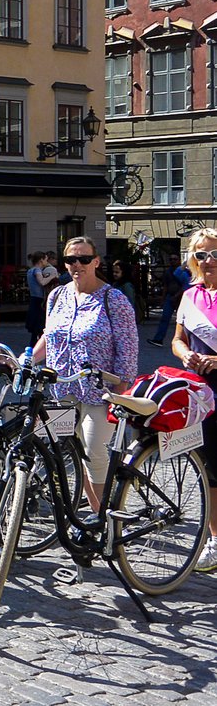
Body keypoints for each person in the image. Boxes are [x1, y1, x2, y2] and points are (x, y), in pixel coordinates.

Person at [34, 235, 137, 512]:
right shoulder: (57, 295)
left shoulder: (113, 299)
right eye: (70, 259)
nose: (76, 264)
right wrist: (28, 361)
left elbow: (128, 349)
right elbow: (49, 336)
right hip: (63, 389)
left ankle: (109, 517)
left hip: (100, 392)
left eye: (83, 259)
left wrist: (121, 394)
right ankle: (97, 516)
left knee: (95, 454)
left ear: (95, 261)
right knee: (72, 453)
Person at [166, 228, 217, 572]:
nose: (207, 261)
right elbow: (177, 339)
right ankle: (215, 538)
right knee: (210, 466)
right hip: (201, 389)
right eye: (200, 255)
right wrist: (184, 354)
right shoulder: (190, 295)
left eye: (213, 253)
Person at [149, 254, 192, 347]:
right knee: (165, 318)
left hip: (181, 298)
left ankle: (188, 341)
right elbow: (165, 285)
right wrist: (163, 298)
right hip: (170, 296)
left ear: (179, 260)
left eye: (175, 259)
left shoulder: (184, 272)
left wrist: (177, 296)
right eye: (171, 259)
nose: (172, 261)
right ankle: (158, 339)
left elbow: (185, 286)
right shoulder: (168, 272)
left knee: (184, 320)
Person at [25, 252, 58, 345]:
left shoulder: (30, 270)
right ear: (41, 260)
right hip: (39, 300)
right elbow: (42, 282)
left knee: (36, 326)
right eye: (45, 260)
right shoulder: (37, 270)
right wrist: (52, 276)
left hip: (33, 298)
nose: (46, 262)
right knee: (39, 324)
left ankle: (34, 344)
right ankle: (37, 345)